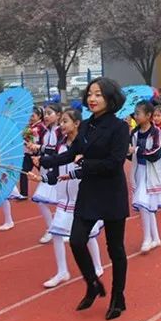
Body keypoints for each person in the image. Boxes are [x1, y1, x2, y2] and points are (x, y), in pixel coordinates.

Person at [38, 77, 130, 321]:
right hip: (89, 193)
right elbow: (71, 153)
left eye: (98, 94)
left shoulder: (120, 128)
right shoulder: (87, 126)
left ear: (110, 98)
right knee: (77, 241)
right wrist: (46, 161)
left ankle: (118, 298)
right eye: (90, 93)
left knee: (116, 249)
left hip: (111, 192)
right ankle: (92, 283)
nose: (92, 98)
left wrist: (85, 164)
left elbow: (115, 163)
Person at [30, 108, 104, 288]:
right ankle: (62, 271)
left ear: (77, 123)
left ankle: (97, 265)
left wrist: (78, 168)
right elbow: (56, 168)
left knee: (88, 234)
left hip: (82, 196)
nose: (62, 125)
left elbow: (93, 169)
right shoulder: (61, 144)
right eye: (61, 121)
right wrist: (41, 177)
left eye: (65, 121)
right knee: (56, 232)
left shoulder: (86, 145)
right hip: (64, 198)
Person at [129, 101, 161, 253]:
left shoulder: (156, 132)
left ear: (148, 116)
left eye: (138, 113)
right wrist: (128, 151)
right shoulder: (134, 133)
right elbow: (132, 156)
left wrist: (136, 150)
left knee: (142, 202)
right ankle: (155, 238)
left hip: (152, 173)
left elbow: (155, 153)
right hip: (139, 172)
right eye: (135, 113)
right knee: (147, 206)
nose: (135, 116)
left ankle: (147, 238)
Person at [27, 104, 64, 244]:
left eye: (50, 113)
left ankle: (66, 228)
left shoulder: (61, 131)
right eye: (45, 113)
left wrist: (41, 148)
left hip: (60, 171)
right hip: (46, 170)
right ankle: (51, 228)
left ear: (59, 115)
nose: (46, 116)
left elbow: (59, 150)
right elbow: (43, 149)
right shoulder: (44, 131)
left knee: (65, 202)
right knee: (41, 200)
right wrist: (35, 152)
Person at [20, 107, 47, 200]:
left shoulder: (41, 127)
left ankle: (50, 190)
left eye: (33, 116)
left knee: (44, 172)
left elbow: (38, 137)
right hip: (28, 153)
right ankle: (24, 194)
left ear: (39, 116)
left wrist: (27, 133)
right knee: (23, 171)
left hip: (38, 154)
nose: (30, 118)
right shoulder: (29, 126)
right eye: (29, 116)